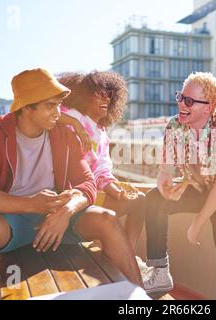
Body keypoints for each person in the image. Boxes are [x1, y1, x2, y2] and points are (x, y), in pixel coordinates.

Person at [0, 68, 142, 299]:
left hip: (57, 217)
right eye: (50, 106)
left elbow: (87, 184)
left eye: (58, 105)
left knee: (107, 220)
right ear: (27, 107)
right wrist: (31, 205)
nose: (58, 112)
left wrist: (66, 210)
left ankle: (139, 300)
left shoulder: (65, 135)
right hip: (13, 219)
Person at [142, 72, 216, 299]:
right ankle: (159, 271)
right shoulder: (175, 126)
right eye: (180, 97)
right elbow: (165, 170)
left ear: (208, 107)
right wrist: (165, 187)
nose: (181, 103)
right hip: (199, 190)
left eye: (188, 101)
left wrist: (197, 224)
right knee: (153, 199)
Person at [55, 71, 148, 271]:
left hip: (90, 198)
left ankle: (125, 258)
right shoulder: (70, 113)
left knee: (139, 200)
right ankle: (122, 262)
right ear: (82, 95)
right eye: (99, 93)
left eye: (109, 95)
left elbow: (102, 171)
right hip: (65, 198)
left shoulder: (103, 134)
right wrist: (75, 124)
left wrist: (115, 189)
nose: (106, 98)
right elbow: (49, 112)